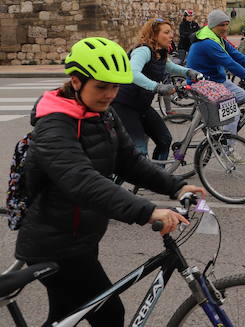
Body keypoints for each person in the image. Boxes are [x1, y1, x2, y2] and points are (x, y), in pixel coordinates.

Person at [17, 37, 205, 327]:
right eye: (101, 87)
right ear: (76, 82)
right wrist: (148, 211)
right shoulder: (54, 125)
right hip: (56, 245)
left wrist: (175, 186)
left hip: (80, 238)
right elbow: (82, 180)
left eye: (115, 86)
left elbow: (129, 162)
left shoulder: (101, 113)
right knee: (109, 315)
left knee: (64, 317)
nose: (110, 95)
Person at [112, 19, 200, 161]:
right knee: (139, 150)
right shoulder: (143, 50)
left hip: (142, 105)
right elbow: (132, 72)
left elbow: (171, 68)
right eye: (166, 32)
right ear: (153, 35)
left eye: (171, 32)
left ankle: (157, 177)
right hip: (125, 105)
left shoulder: (160, 52)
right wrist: (157, 87)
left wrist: (189, 72)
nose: (171, 36)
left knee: (164, 140)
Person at [185, 10, 245, 134]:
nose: (225, 28)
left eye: (226, 24)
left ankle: (219, 121)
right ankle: (227, 149)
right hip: (203, 83)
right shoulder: (207, 42)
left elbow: (238, 56)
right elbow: (230, 64)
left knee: (244, 96)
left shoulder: (217, 38)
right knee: (233, 115)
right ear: (212, 25)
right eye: (221, 25)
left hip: (216, 80)